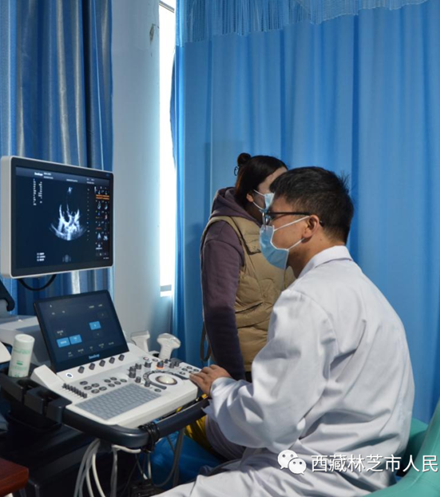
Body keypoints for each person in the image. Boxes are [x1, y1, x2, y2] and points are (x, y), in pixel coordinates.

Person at [166, 167, 415, 496]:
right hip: (364, 469)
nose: (265, 227)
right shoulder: (369, 294)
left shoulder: (308, 298)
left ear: (310, 225)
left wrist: (221, 387)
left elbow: (269, 422)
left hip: (313, 479)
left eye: (273, 217)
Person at [200, 153, 292, 383]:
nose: (283, 195)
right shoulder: (224, 234)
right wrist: (233, 380)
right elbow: (219, 313)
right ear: (251, 195)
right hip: (249, 367)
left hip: (281, 359)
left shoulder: (277, 227)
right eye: (275, 189)